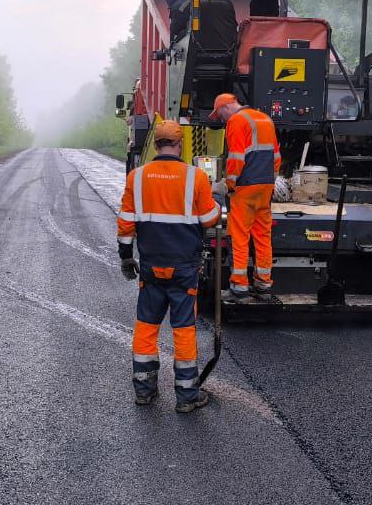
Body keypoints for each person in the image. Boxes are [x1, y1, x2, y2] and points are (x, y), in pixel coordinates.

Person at [117, 120, 221, 413]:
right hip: (184, 268)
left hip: (151, 268)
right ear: (179, 144)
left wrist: (126, 256)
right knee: (184, 330)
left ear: (156, 145)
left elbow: (126, 222)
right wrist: (216, 198)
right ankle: (187, 398)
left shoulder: (136, 178)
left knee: (146, 328)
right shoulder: (196, 178)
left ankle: (144, 391)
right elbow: (209, 219)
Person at [210, 92, 281, 299]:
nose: (221, 120)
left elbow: (236, 158)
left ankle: (239, 286)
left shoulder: (236, 121)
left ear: (225, 107)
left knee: (240, 236)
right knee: (263, 235)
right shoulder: (265, 119)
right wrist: (270, 180)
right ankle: (263, 284)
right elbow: (276, 156)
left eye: (219, 115)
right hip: (265, 186)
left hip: (244, 188)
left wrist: (227, 185)